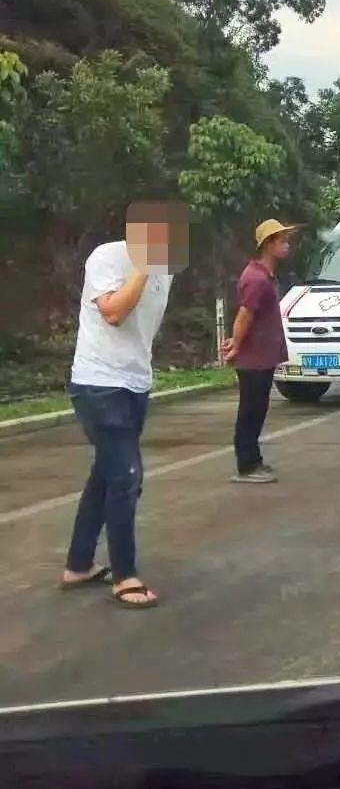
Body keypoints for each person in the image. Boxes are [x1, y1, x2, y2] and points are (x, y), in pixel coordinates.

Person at [61, 200, 189, 609]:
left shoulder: (166, 270)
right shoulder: (107, 257)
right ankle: (125, 575)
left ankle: (78, 565)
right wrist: (143, 266)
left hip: (135, 384)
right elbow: (114, 312)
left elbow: (145, 328)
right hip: (98, 384)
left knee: (106, 475)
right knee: (126, 478)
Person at [222, 218, 297, 484]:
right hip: (253, 359)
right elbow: (245, 315)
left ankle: (254, 460)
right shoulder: (256, 279)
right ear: (268, 244)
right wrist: (237, 344)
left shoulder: (265, 276)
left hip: (262, 357)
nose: (287, 245)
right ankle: (247, 465)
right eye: (282, 241)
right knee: (251, 411)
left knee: (258, 409)